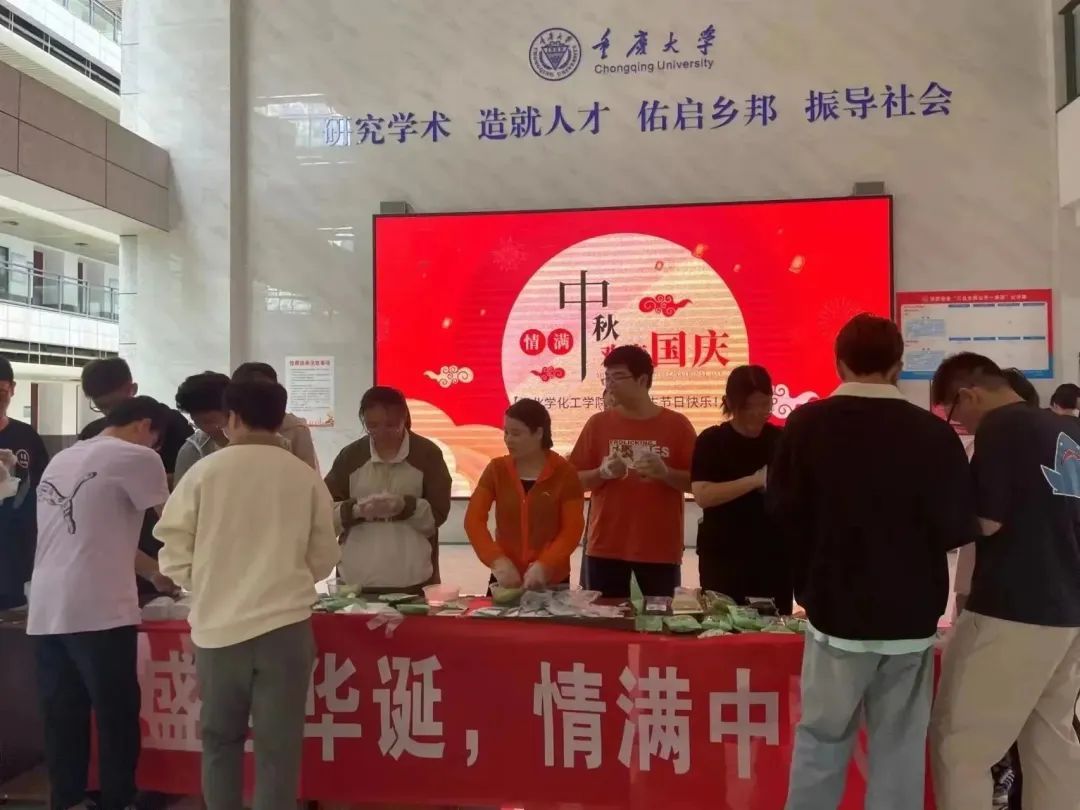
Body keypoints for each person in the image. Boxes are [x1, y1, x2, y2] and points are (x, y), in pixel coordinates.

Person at [768, 314, 977, 810]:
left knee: (822, 738)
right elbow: (955, 528)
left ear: (838, 363)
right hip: (910, 620)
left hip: (833, 614)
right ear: (898, 366)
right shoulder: (933, 434)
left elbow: (781, 513)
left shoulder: (806, 425)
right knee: (899, 747)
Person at [156, 380, 340, 810]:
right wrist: (286, 578)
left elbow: (173, 548)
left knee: (220, 741)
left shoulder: (205, 472)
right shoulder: (303, 476)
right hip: (286, 630)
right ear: (279, 419)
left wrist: (206, 582)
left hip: (218, 631)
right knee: (279, 747)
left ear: (232, 418)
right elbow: (324, 556)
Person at [929, 353, 1080, 810]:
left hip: (1012, 609)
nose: (963, 426)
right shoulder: (1067, 431)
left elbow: (988, 521)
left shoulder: (1000, 428)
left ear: (968, 395)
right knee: (1050, 742)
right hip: (1068, 610)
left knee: (961, 746)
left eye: (955, 417)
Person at [27, 396, 175, 810]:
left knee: (63, 715)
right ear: (144, 426)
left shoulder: (64, 458)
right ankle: (119, 800)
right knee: (116, 714)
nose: (154, 448)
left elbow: (93, 535)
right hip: (99, 608)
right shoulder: (137, 456)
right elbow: (176, 523)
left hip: (46, 608)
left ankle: (68, 800)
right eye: (156, 440)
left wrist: (155, 574)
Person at [570, 345, 696, 599]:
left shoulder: (677, 425)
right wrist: (601, 473)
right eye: (607, 377)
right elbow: (572, 483)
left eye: (618, 377)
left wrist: (666, 473)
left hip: (659, 548)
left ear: (642, 380)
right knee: (605, 619)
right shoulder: (598, 424)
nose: (610, 384)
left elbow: (697, 484)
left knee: (659, 619)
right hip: (605, 546)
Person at [79, 358, 193, 600]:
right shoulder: (91, 434)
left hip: (156, 540)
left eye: (115, 404)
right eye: (101, 406)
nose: (111, 414)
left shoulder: (168, 423)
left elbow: (181, 489)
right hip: (115, 551)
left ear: (132, 389)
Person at [324, 386, 452, 592]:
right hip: (356, 578)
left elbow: (437, 515)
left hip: (413, 578)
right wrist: (356, 510)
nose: (382, 433)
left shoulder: (427, 454)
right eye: (372, 426)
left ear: (404, 418)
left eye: (391, 425)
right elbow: (325, 515)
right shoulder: (350, 457)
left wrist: (404, 506)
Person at [691, 365, 792, 614]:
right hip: (724, 556)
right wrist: (754, 481)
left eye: (765, 405)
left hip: (773, 556)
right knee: (724, 625)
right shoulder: (712, 441)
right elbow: (703, 495)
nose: (758, 413)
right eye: (749, 406)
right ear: (730, 404)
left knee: (774, 627)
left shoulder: (782, 440)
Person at [466, 399, 585, 591]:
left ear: (538, 433)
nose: (508, 440)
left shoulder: (565, 473)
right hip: (506, 576)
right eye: (506, 432)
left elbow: (572, 528)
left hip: (551, 577)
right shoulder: (496, 470)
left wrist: (546, 563)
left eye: (516, 434)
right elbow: (474, 520)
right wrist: (496, 560)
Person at [0, 357, 48, 610]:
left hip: (18, 555)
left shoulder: (26, 435)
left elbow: (46, 489)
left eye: (1, 392)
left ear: (12, 389)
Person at [232, 362, 319, 471]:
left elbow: (308, 471)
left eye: (265, 392)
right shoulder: (231, 423)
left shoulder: (296, 429)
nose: (258, 397)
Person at [173, 371, 231, 483]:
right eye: (197, 422)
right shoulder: (193, 450)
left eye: (210, 421)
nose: (206, 429)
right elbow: (182, 492)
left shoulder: (256, 443)